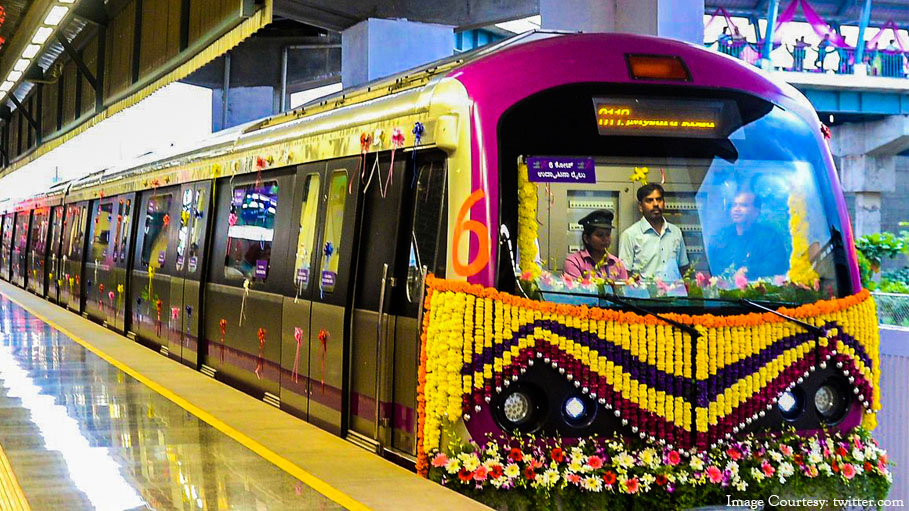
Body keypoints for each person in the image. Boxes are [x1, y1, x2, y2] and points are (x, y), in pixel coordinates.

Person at [709, 191, 789, 278]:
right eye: (734, 205)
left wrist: (749, 271)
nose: (736, 209)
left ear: (756, 212)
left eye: (743, 205)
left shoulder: (769, 237)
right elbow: (712, 266)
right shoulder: (722, 236)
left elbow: (778, 265)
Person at [619, 183, 689, 281]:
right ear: (640, 206)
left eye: (659, 199)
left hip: (674, 294)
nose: (656, 204)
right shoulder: (630, 235)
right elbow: (625, 273)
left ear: (664, 202)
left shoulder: (675, 232)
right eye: (649, 200)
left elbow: (683, 268)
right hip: (644, 295)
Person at [563, 210, 628, 280]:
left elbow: (625, 289)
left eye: (608, 234)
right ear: (586, 238)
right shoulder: (574, 262)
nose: (605, 239)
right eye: (599, 235)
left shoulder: (617, 264)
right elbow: (575, 289)